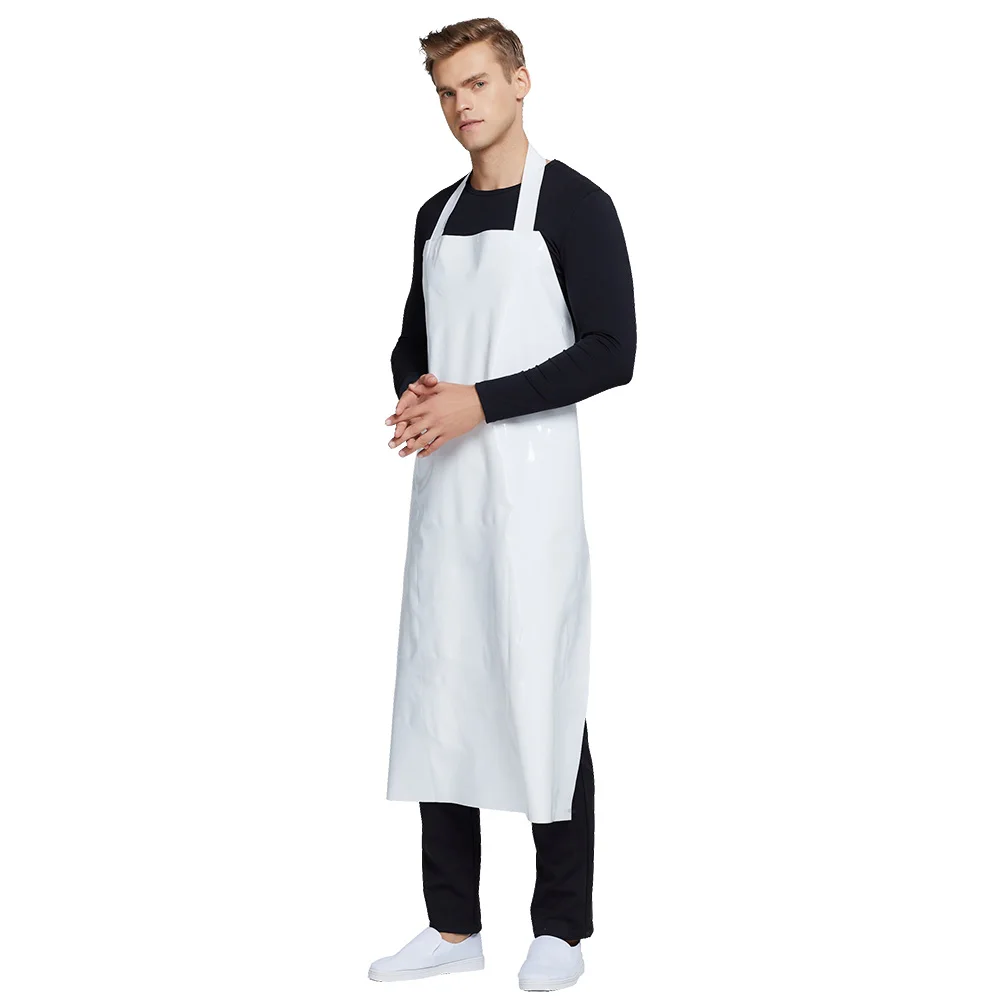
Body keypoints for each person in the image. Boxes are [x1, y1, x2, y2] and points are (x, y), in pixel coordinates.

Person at [370, 17, 635, 991]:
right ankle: (452, 926)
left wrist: (478, 401)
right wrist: (417, 391)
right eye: (446, 90)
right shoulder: (433, 216)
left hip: (529, 493)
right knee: (442, 689)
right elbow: (415, 336)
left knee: (541, 688)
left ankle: (561, 923)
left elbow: (612, 350)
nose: (461, 105)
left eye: (477, 83)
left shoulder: (575, 205)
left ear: (520, 82)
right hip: (448, 490)